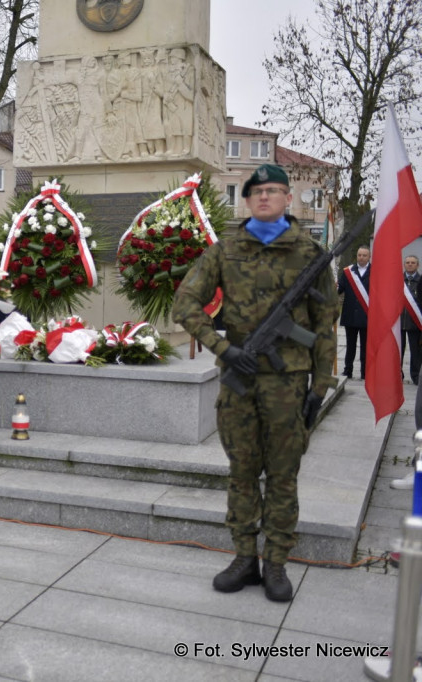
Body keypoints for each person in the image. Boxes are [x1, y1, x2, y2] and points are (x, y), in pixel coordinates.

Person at [174, 163, 338, 603]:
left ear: (288, 198)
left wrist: (320, 389)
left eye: (274, 190)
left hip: (288, 383)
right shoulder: (225, 250)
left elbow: (325, 326)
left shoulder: (310, 254)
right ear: (246, 200)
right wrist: (223, 349)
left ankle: (277, 563)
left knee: (283, 475)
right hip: (240, 378)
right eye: (257, 191)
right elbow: (185, 303)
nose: (265, 197)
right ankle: (245, 558)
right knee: (242, 473)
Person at [336, 245, 370, 380]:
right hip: (350, 314)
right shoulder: (348, 271)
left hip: (367, 315)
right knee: (350, 346)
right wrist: (334, 286)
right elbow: (339, 289)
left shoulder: (375, 271)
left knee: (365, 348)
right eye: (359, 255)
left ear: (369, 256)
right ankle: (347, 370)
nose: (361, 257)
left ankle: (365, 372)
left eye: (364, 255)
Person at [402, 255, 422, 385]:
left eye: (412, 263)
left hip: (415, 323)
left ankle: (415, 376)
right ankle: (397, 374)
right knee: (397, 351)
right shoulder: (397, 280)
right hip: (399, 321)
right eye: (407, 262)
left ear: (417, 265)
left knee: (416, 353)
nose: (410, 265)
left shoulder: (421, 281)